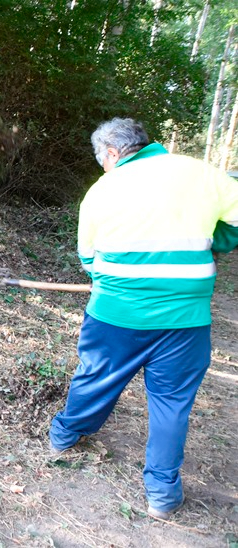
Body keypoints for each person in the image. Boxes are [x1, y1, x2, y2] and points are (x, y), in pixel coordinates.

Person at [49, 117, 238, 520]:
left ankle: (64, 437)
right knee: (171, 404)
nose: (103, 166)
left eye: (103, 159)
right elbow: (233, 225)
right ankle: (162, 496)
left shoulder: (102, 191)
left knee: (95, 376)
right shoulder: (203, 174)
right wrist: (215, 240)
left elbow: (88, 260)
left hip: (117, 313)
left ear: (114, 154)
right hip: (186, 319)